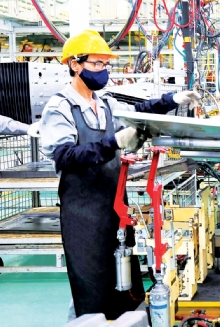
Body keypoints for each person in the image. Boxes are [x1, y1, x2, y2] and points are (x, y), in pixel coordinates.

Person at [40, 30, 201, 321]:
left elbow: (139, 111)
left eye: (105, 64)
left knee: (123, 275)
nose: (103, 70)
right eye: (96, 64)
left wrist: (172, 99)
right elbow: (65, 156)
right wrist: (113, 142)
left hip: (114, 206)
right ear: (75, 65)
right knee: (92, 281)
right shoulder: (61, 107)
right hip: (83, 212)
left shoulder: (104, 103)